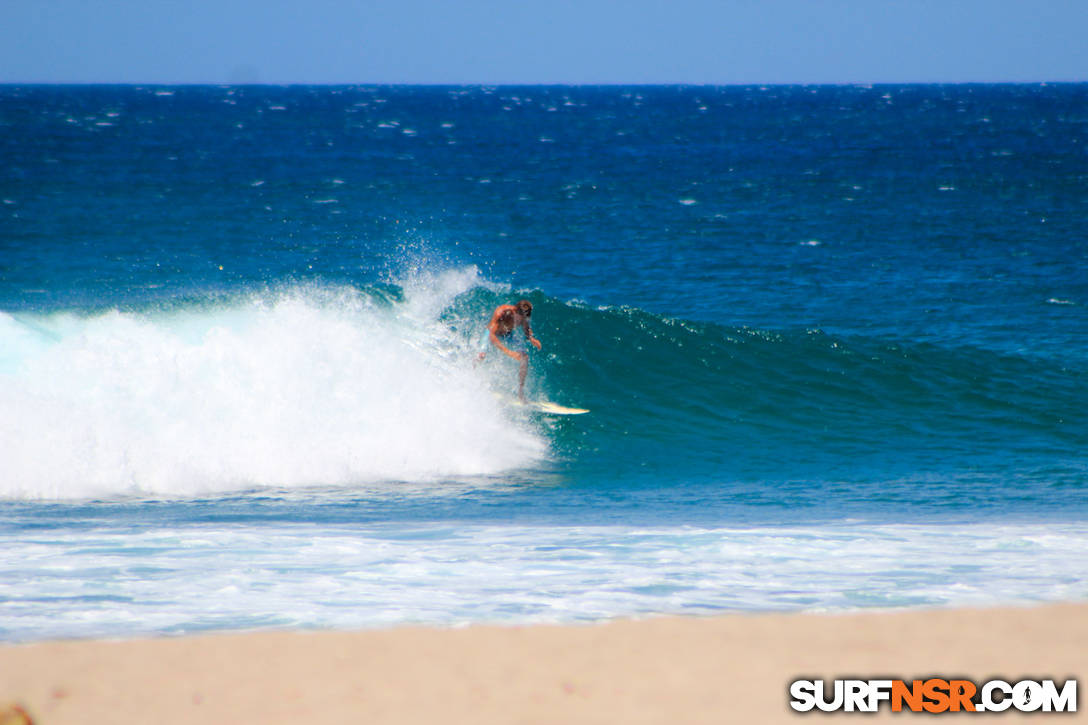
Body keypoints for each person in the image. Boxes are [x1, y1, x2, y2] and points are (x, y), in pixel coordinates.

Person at [477, 299, 542, 401]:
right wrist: (509, 352)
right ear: (515, 311)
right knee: (481, 355)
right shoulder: (501, 312)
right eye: (520, 318)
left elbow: (526, 328)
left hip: (508, 335)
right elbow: (491, 335)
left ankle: (521, 390)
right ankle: (472, 375)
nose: (521, 320)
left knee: (524, 358)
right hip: (491, 333)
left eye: (524, 318)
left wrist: (531, 338)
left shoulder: (524, 316)